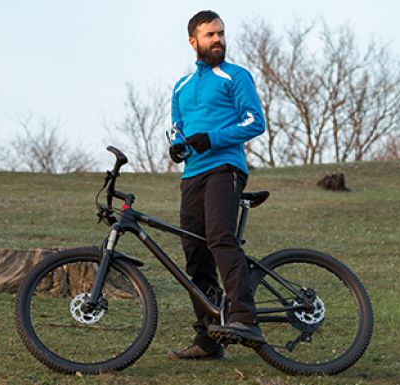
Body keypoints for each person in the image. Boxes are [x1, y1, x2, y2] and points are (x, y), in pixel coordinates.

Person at [166, 10, 267, 360]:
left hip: (225, 168)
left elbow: (255, 122)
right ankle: (208, 338)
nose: (218, 40)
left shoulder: (236, 76)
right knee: (195, 253)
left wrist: (213, 137)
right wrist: (178, 146)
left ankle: (244, 317)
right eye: (210, 35)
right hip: (191, 176)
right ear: (193, 41)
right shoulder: (181, 87)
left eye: (221, 33)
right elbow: (178, 127)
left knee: (220, 238)